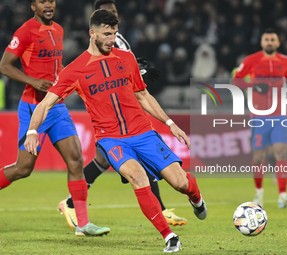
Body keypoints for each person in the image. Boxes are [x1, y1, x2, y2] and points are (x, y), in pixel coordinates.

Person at [25, 9, 207, 252]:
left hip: (143, 133)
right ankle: (169, 237)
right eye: (107, 34)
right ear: (92, 33)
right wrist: (32, 132)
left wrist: (170, 123)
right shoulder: (74, 70)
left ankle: (196, 197)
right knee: (138, 178)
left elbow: (143, 96)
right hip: (111, 139)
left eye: (115, 33)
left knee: (180, 182)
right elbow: (45, 104)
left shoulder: (126, 59)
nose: (112, 39)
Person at [58, 0, 187, 230]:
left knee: (103, 162)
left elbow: (123, 67)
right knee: (129, 163)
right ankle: (71, 204)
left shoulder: (119, 39)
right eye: (108, 14)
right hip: (111, 115)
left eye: (115, 14)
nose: (113, 18)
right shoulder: (101, 41)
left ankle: (70, 203)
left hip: (123, 113)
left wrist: (141, 72)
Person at [0, 0, 109, 236]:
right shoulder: (25, 31)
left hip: (56, 107)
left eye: (51, 0)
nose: (48, 4)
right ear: (33, 6)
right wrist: (32, 81)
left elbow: (55, 68)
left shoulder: (58, 29)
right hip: (33, 107)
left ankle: (83, 224)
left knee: (76, 160)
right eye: (42, 1)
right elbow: (5, 66)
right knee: (23, 169)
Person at [232, 28, 287, 209]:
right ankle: (259, 192)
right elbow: (236, 81)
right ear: (262, 42)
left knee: (280, 152)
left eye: (272, 39)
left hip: (279, 114)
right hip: (259, 116)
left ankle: (283, 195)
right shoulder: (251, 60)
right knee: (259, 157)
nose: (269, 42)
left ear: (278, 43)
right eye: (266, 39)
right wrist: (254, 85)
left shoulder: (285, 61)